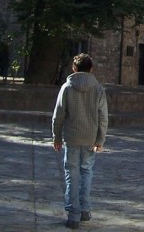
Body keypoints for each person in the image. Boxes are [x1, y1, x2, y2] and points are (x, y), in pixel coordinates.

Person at [52, 53, 109, 229]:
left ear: (74, 69)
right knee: (87, 172)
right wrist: (101, 139)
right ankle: (85, 209)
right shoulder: (98, 89)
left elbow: (58, 115)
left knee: (72, 174)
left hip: (72, 136)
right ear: (91, 69)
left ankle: (73, 214)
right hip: (90, 137)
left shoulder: (67, 88)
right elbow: (103, 117)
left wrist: (57, 136)